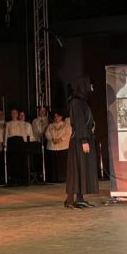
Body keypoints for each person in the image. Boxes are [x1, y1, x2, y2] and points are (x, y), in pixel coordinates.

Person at [65, 75, 99, 209]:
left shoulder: (82, 101)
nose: (92, 88)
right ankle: (69, 200)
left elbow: (86, 120)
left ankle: (80, 198)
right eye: (91, 85)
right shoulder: (76, 102)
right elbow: (79, 123)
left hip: (84, 137)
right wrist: (84, 140)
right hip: (79, 141)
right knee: (76, 169)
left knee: (82, 169)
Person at [45, 109, 71, 182]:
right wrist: (52, 139)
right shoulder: (50, 125)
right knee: (53, 164)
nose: (56, 118)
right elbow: (47, 134)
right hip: (52, 147)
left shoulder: (66, 125)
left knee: (62, 164)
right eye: (55, 117)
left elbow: (68, 134)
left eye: (58, 116)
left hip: (63, 147)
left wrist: (60, 139)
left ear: (61, 117)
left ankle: (63, 178)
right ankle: (53, 179)